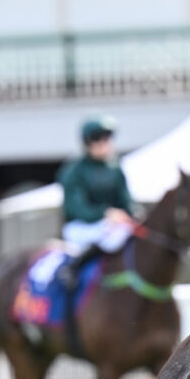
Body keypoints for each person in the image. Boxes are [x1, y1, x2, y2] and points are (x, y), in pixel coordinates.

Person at [56, 115, 135, 291]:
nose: (103, 143)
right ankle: (70, 270)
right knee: (109, 239)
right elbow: (76, 208)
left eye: (107, 138)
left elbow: (126, 202)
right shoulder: (74, 171)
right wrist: (106, 213)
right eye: (97, 139)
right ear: (87, 143)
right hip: (81, 227)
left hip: (112, 225)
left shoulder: (115, 169)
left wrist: (133, 215)